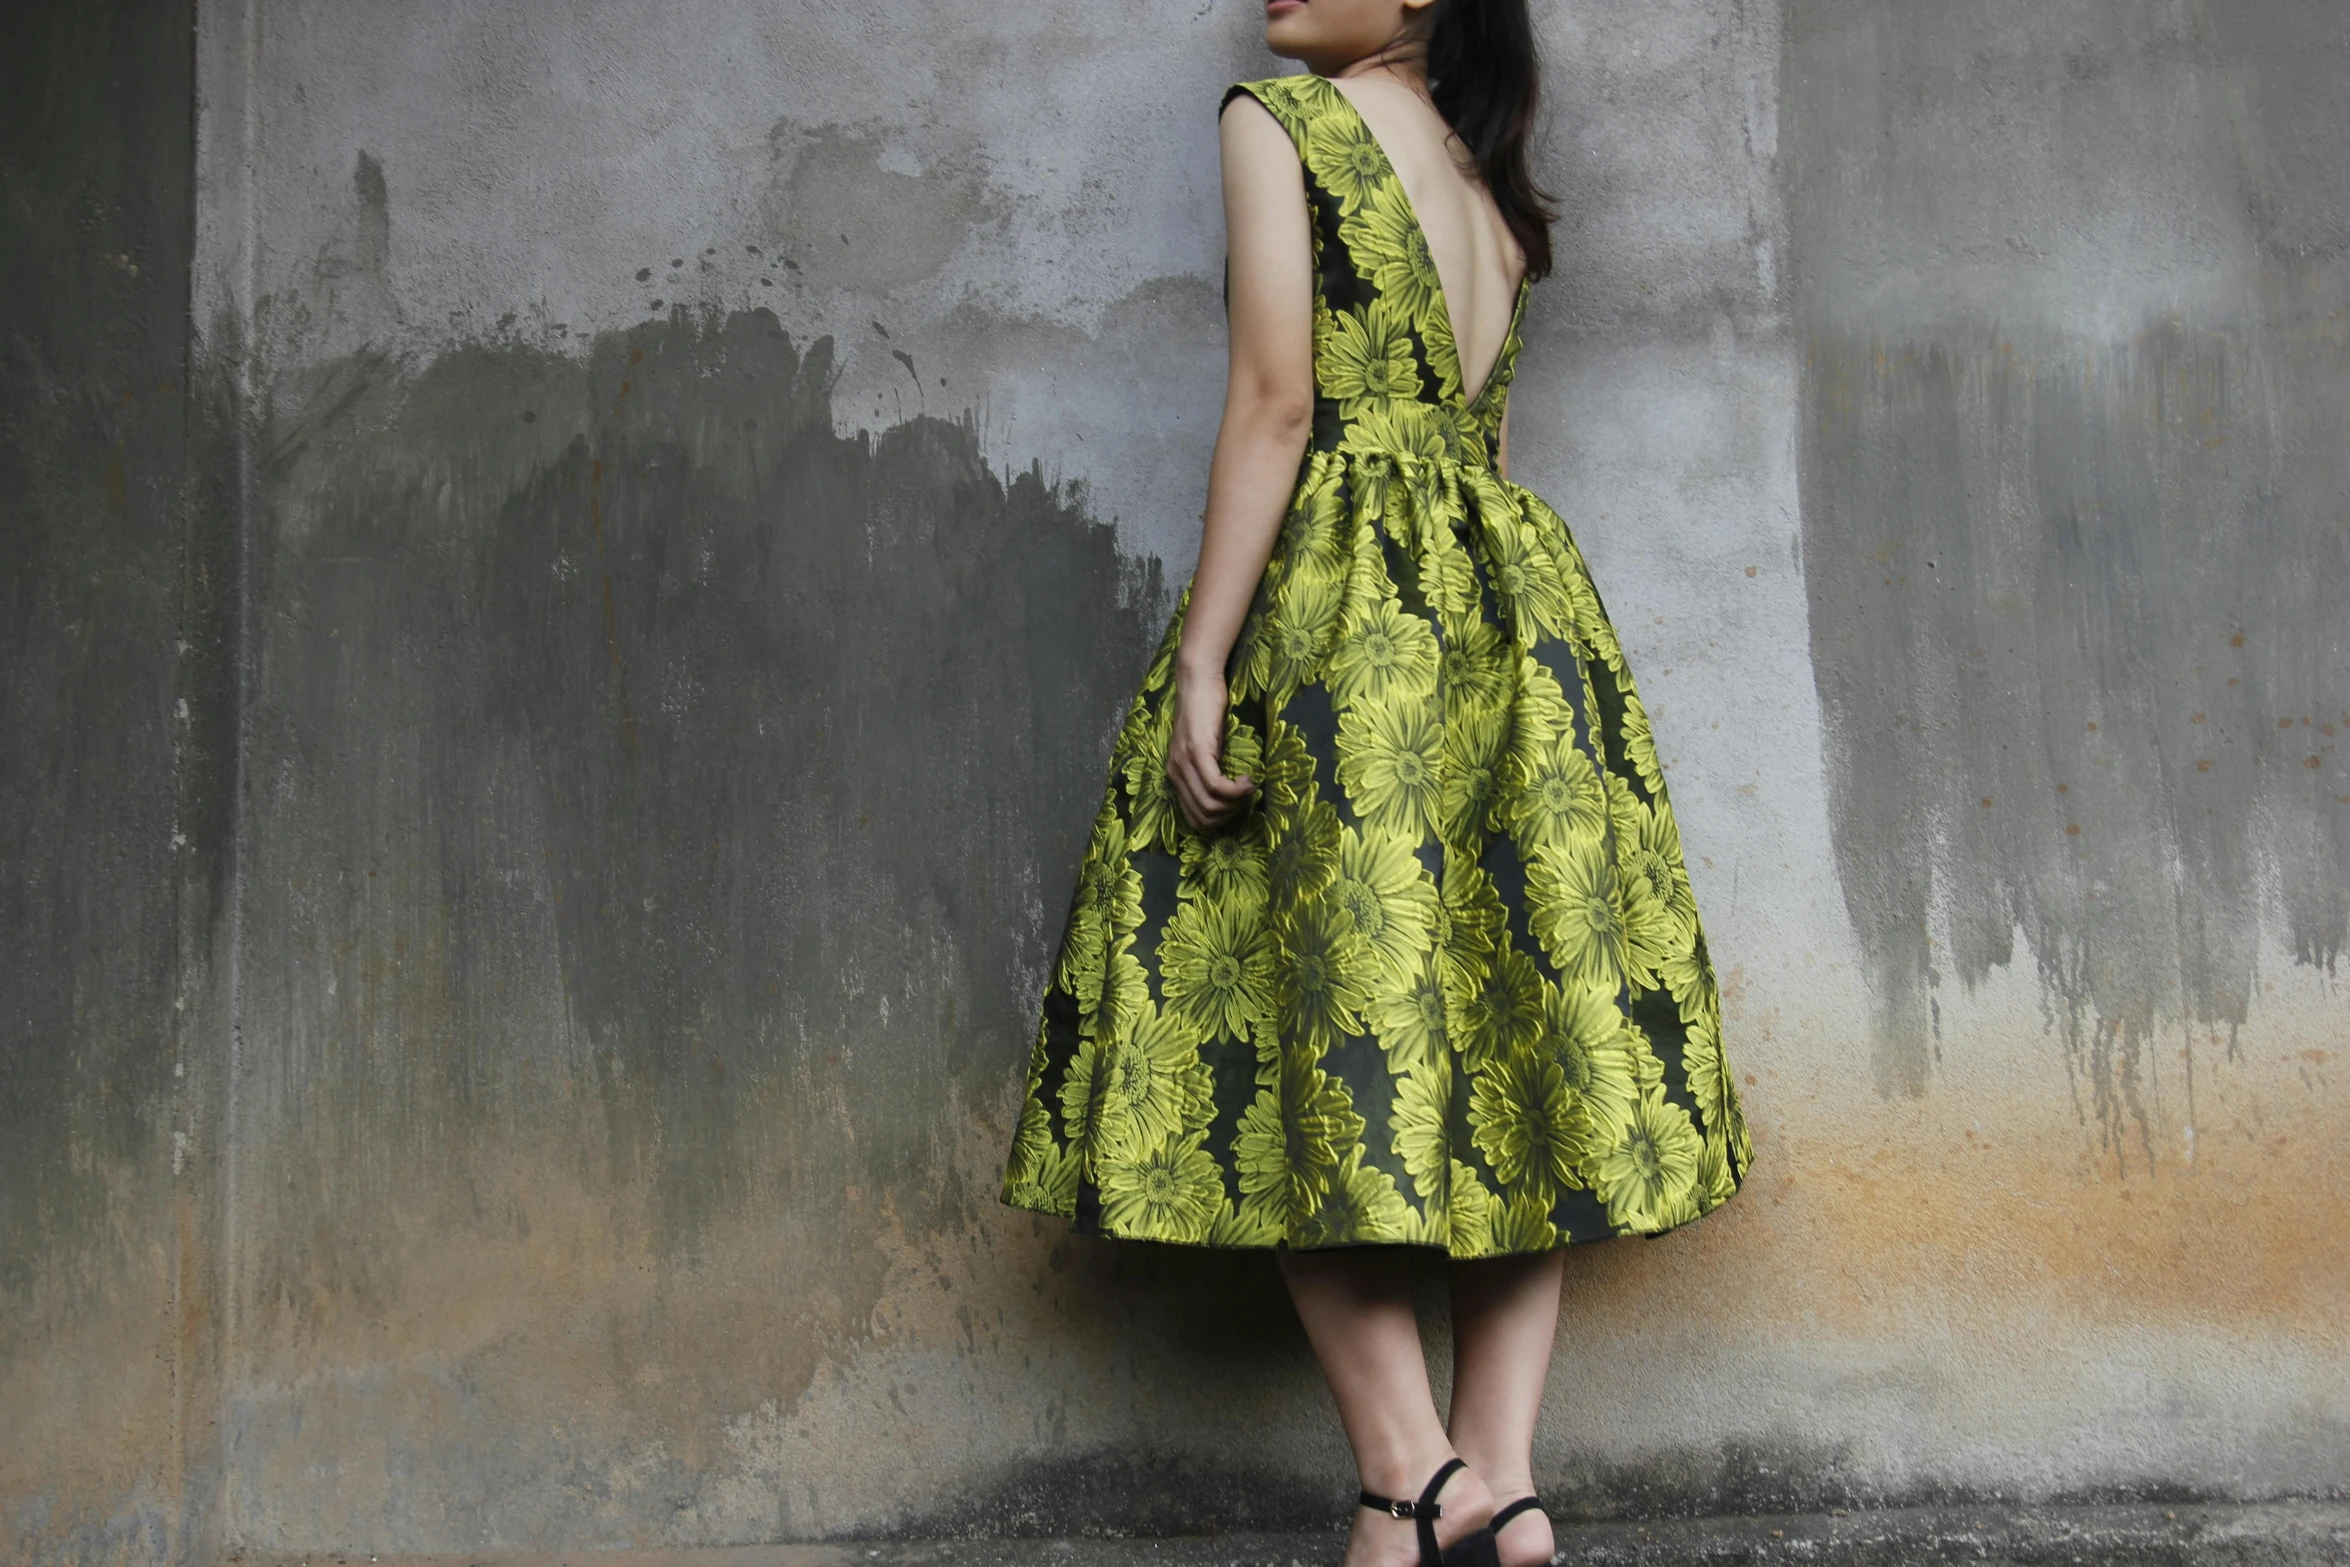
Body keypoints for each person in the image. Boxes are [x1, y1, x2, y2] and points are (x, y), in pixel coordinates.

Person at [1002, 2, 1753, 1563]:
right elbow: (1478, 428)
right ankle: (1501, 1478)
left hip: (1348, 617)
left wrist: (1205, 654)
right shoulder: (1486, 180)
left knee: (1282, 1022)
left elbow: (1281, 402)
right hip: (1512, 613)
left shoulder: (1280, 127)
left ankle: (1407, 1477)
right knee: (1505, 1039)